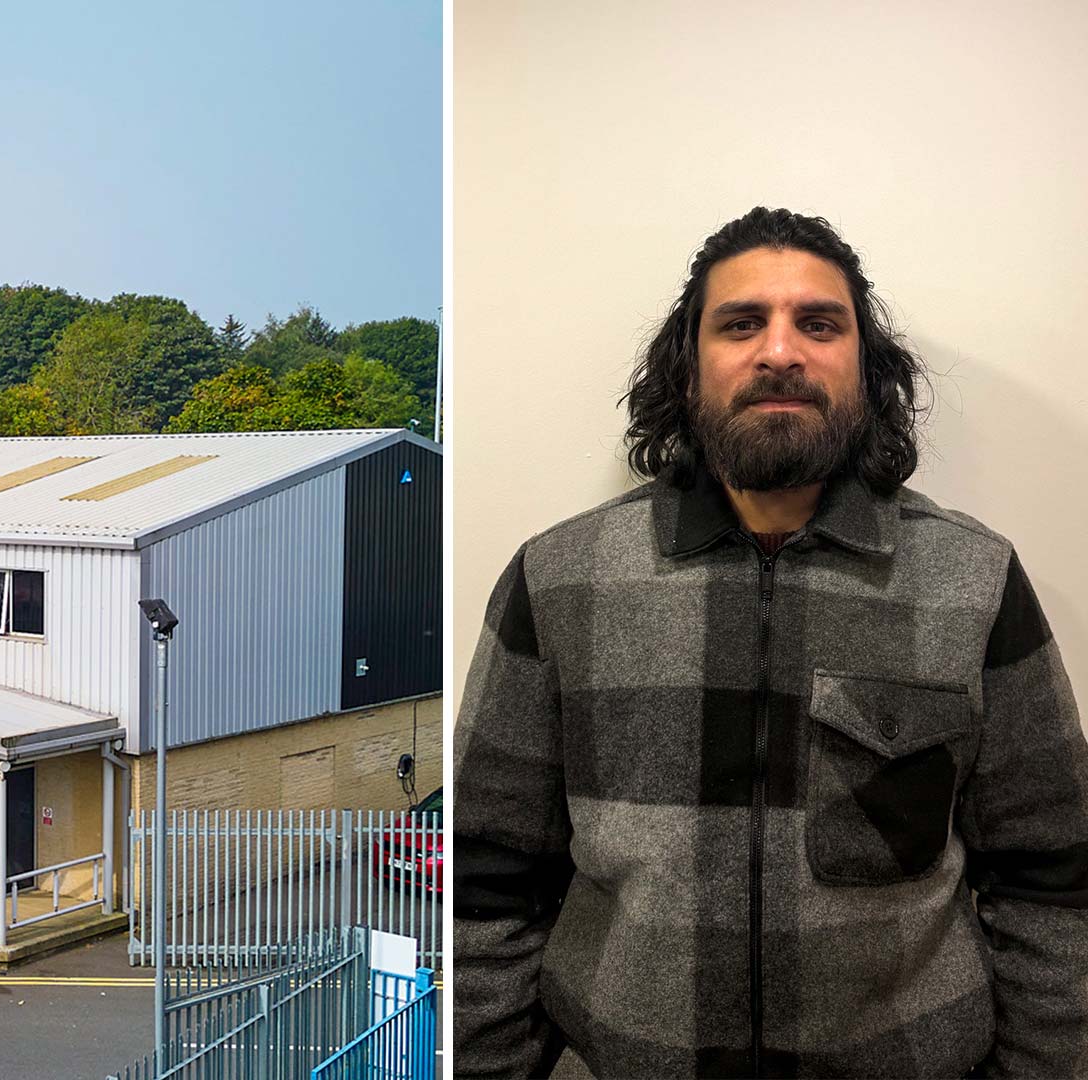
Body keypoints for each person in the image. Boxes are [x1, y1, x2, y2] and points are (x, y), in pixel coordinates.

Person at [452, 207, 1088, 1078]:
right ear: (688, 368)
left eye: (819, 324)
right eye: (742, 322)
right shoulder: (559, 579)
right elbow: (483, 880)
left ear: (867, 369)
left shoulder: (972, 580)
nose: (781, 351)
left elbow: (1052, 880)